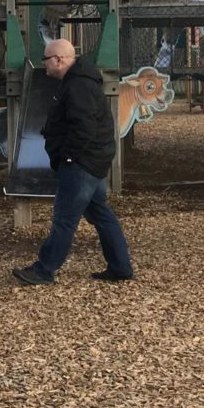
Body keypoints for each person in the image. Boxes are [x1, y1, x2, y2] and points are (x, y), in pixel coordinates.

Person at [12, 38, 134, 286]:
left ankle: (45, 269)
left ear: (59, 59)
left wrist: (69, 156)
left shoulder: (78, 86)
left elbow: (84, 126)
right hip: (92, 161)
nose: (43, 65)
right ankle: (120, 266)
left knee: (64, 219)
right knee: (100, 213)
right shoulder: (78, 82)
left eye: (46, 59)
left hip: (81, 165)